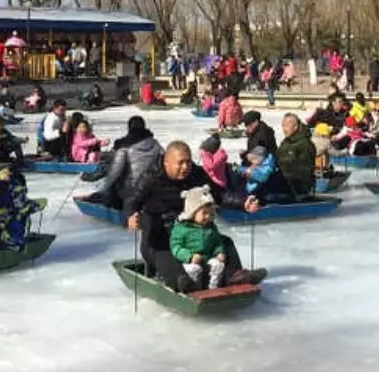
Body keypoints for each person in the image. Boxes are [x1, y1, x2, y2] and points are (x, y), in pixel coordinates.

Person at [125, 141, 266, 286]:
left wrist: (243, 202)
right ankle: (182, 281)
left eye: (188, 162)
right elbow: (131, 199)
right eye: (180, 163)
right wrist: (131, 215)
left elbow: (218, 193)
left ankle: (234, 275)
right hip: (158, 235)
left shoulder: (195, 174)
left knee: (224, 243)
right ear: (166, 163)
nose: (185, 167)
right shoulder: (150, 176)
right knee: (165, 252)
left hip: (188, 232)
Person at [170, 187, 230, 292]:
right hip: (188, 262)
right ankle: (194, 288)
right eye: (204, 213)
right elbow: (175, 247)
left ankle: (213, 288)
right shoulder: (182, 228)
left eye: (211, 213)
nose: (208, 217)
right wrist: (189, 256)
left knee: (218, 265)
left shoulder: (211, 227)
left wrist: (219, 252)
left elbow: (217, 241)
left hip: (206, 258)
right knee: (194, 269)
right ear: (192, 212)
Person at [275, 113, 316, 196]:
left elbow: (305, 170)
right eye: (283, 125)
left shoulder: (305, 144)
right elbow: (277, 158)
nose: (284, 129)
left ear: (296, 127)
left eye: (287, 126)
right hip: (284, 179)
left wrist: (285, 167)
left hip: (298, 185)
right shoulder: (286, 142)